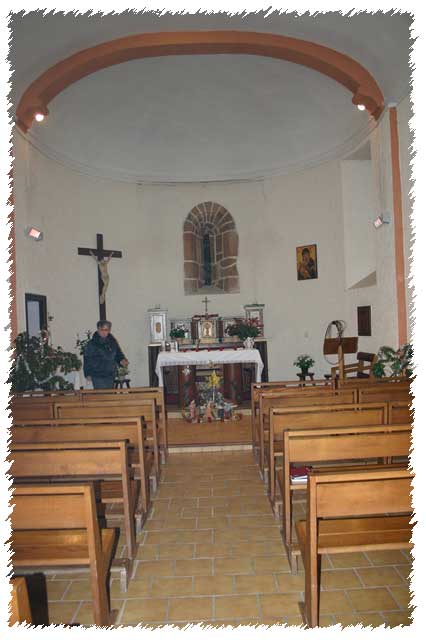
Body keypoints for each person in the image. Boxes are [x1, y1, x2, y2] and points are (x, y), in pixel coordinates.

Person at [83, 320, 129, 389]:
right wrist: (87, 373)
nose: (104, 332)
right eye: (102, 330)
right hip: (97, 374)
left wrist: (122, 360)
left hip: (110, 373)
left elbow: (118, 353)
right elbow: (87, 359)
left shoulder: (112, 342)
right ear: (98, 329)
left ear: (109, 330)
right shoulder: (92, 344)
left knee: (109, 396)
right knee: (102, 396)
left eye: (106, 330)